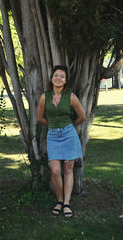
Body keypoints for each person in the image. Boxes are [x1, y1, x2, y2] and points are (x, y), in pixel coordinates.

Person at [37, 65, 86, 218]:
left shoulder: (71, 96)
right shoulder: (45, 97)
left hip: (69, 135)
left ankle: (66, 203)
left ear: (65, 81)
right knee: (55, 171)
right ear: (52, 78)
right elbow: (40, 117)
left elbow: (82, 117)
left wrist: (69, 127)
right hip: (52, 136)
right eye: (56, 75)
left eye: (62, 76)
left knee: (68, 170)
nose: (58, 78)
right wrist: (52, 126)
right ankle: (59, 200)